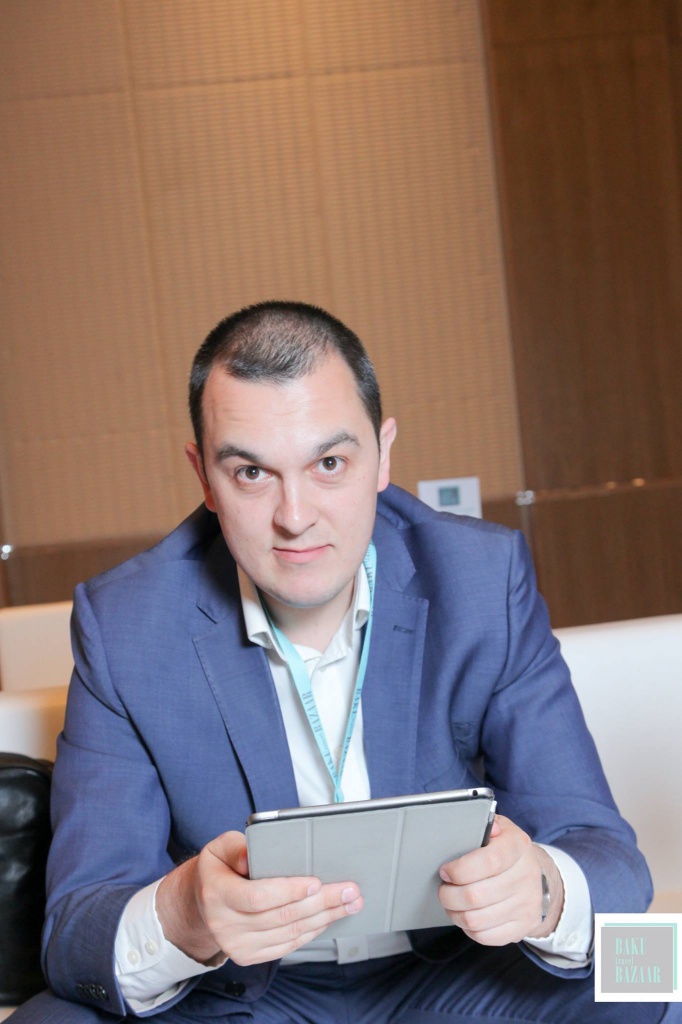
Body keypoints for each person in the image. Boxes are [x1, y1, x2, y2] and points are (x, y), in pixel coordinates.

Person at [12, 302, 676, 1023]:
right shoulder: (125, 625)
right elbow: (75, 933)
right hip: (244, 995)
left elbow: (603, 852)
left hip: (457, 977)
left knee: (660, 963)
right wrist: (186, 913)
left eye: (329, 464)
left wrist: (540, 887)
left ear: (383, 455)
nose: (295, 516)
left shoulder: (482, 580)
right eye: (251, 473)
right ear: (204, 476)